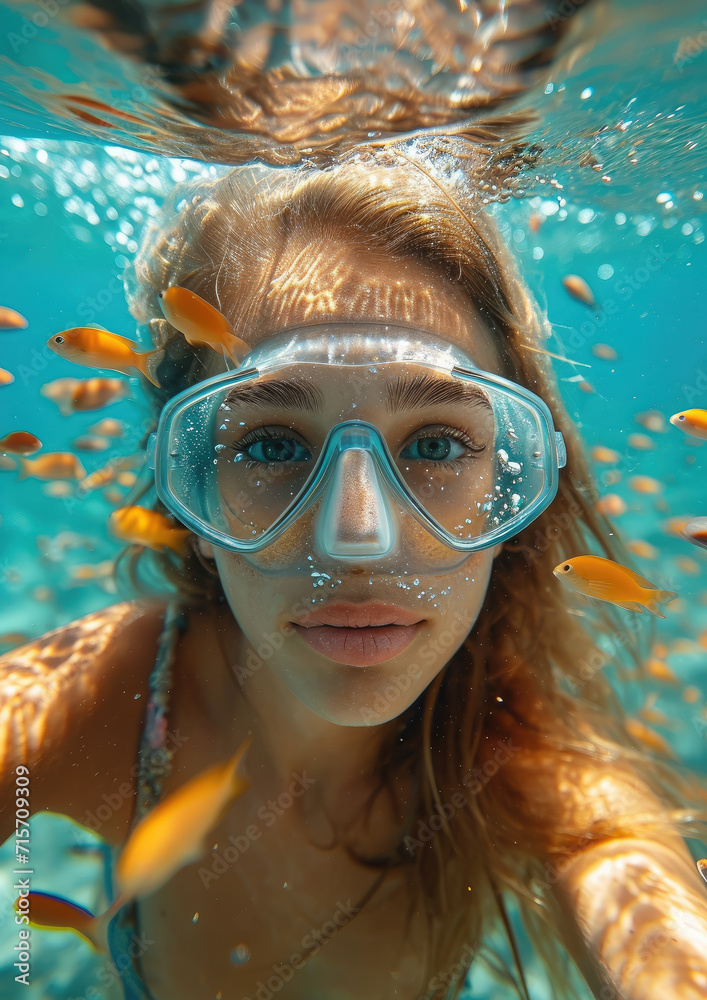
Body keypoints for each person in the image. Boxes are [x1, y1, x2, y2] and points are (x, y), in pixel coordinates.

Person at [2, 145, 707, 1000]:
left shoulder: (512, 759)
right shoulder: (97, 708)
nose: (356, 539)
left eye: (438, 444)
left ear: (514, 479)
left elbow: (641, 901)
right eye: (269, 445)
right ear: (186, 490)